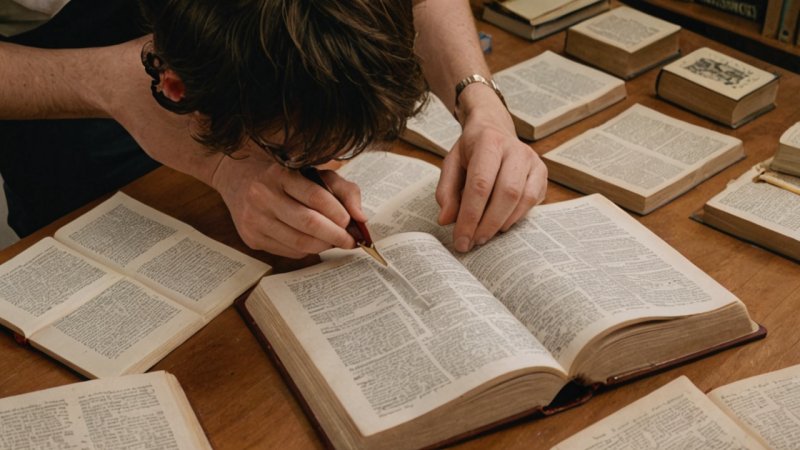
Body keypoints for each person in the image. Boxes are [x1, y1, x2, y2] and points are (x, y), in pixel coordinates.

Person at [0, 0, 547, 258]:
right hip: (55, 82)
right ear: (174, 87)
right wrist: (106, 84)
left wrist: (480, 101)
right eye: (287, 148)